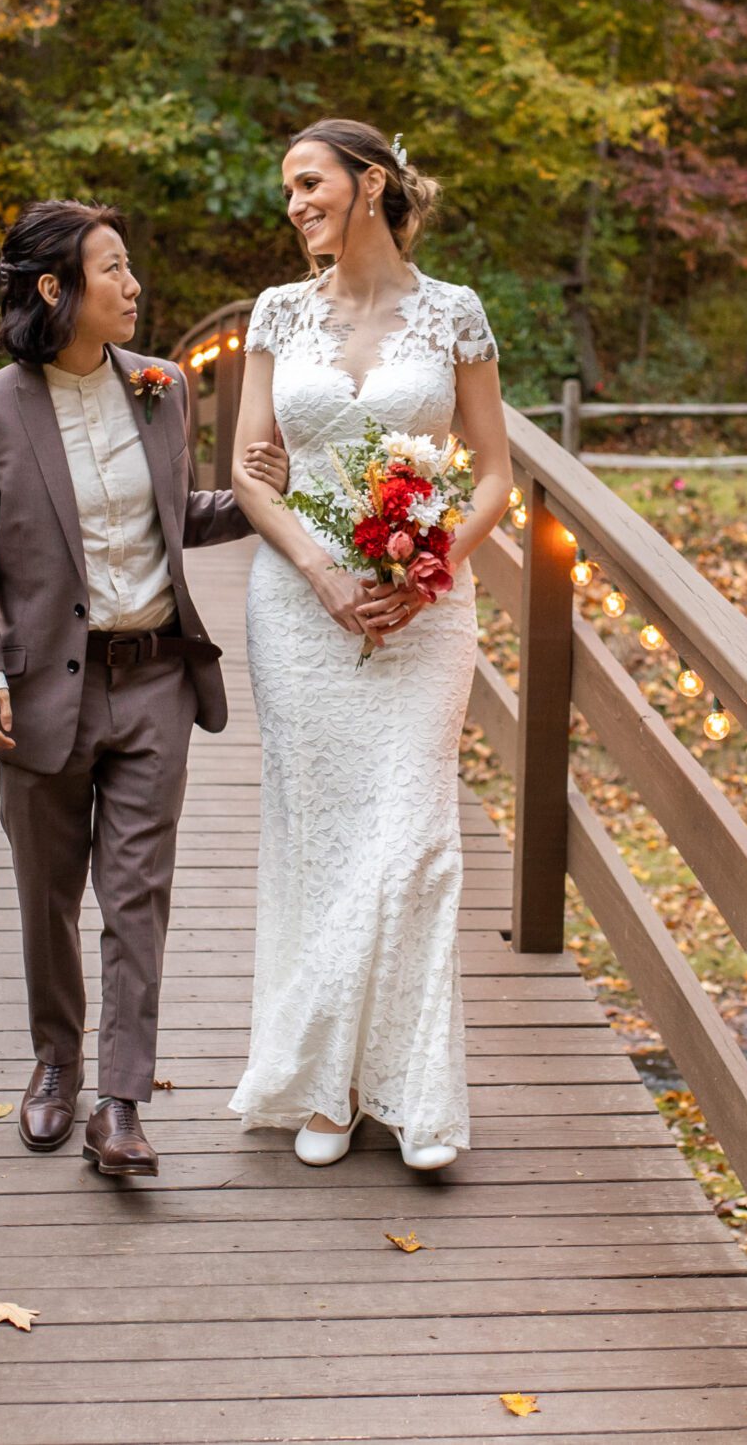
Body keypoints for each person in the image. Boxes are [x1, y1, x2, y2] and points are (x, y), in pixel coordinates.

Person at [0, 199, 280, 1178]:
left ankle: (121, 1104)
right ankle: (57, 1064)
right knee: (47, 894)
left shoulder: (164, 388)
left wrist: (268, 494)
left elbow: (176, 517)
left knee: (136, 896)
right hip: (41, 692)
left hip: (155, 681)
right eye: (113, 270)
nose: (134, 287)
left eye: (131, 268)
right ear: (56, 290)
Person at [225, 120, 515, 1172]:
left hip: (424, 608)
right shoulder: (274, 314)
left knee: (414, 842)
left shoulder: (454, 316)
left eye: (310, 183)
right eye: (288, 189)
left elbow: (492, 470)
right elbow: (252, 471)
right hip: (300, 607)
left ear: (369, 184)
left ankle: (419, 1097)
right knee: (322, 842)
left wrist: (428, 558)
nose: (295, 202)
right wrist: (322, 572)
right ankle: (327, 1089)